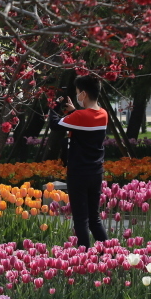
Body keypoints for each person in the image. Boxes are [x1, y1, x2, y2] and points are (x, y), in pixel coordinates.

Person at [52, 75, 110, 248]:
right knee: (94, 218)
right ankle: (110, 254)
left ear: (83, 94)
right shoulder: (103, 114)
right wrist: (72, 112)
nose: (77, 96)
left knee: (80, 219)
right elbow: (85, 126)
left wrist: (53, 105)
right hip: (96, 172)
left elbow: (55, 124)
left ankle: (84, 258)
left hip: (78, 173)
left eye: (78, 93)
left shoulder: (79, 116)